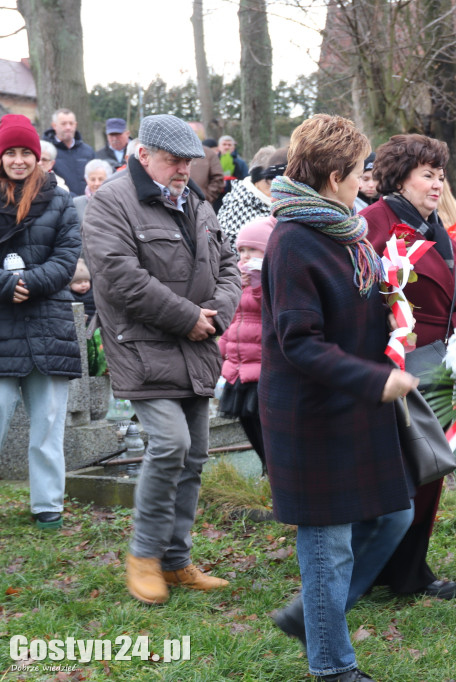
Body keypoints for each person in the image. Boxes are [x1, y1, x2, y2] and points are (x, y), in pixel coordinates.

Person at [261, 114, 416, 682]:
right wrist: (376, 380)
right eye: (359, 172)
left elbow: (356, 301)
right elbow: (299, 343)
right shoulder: (294, 241)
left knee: (395, 515)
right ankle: (332, 666)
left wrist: (394, 323)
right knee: (329, 551)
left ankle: (314, 617)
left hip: (352, 406)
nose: (366, 181)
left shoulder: (340, 229)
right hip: (314, 417)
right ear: (331, 177)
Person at [81, 114, 240, 605]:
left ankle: (175, 562)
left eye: (189, 162)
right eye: (174, 161)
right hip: (143, 349)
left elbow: (229, 262)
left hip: (196, 345)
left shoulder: (193, 199)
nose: (183, 170)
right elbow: (120, 279)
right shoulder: (111, 201)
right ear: (142, 153)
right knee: (170, 444)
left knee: (193, 453)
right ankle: (143, 557)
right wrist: (188, 317)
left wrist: (218, 314)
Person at [361, 133, 456, 599]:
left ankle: (412, 567)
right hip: (401, 359)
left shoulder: (437, 226)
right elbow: (364, 293)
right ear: (400, 177)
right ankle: (384, 570)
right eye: (427, 175)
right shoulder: (377, 220)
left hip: (446, 358)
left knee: (429, 465)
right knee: (403, 466)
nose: (437, 184)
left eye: (441, 175)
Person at [0, 113, 82, 530]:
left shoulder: (62, 200)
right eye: (9, 152)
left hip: (47, 324)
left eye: (24, 152)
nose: (17, 160)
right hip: (2, 326)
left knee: (48, 426)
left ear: (37, 156)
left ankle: (47, 507)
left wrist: (28, 282)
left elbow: (67, 259)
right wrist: (3, 285)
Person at [218, 216, 274, 475]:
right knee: (250, 426)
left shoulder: (272, 279)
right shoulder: (236, 279)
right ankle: (266, 474)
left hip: (262, 366)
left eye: (253, 249)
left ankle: (276, 477)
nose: (245, 255)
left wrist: (258, 283)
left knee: (269, 430)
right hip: (238, 368)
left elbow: (272, 312)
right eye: (241, 250)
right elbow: (230, 323)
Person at [217, 146, 286, 250]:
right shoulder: (238, 207)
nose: (276, 190)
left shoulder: (267, 203)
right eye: (270, 183)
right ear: (256, 180)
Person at [42, 108, 95, 196]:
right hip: (60, 203)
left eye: (71, 123)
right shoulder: (45, 153)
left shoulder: (88, 151)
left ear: (76, 125)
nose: (68, 127)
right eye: (63, 124)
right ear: (54, 125)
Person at [186, 123, 225, 206]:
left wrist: (206, 198)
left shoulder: (209, 154)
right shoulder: (173, 153)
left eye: (194, 131)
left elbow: (218, 178)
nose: (190, 134)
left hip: (201, 205)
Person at [69, 258, 95, 324]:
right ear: (70, 285)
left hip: (93, 325)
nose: (83, 285)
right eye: (78, 283)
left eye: (86, 281)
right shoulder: (69, 296)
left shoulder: (94, 293)